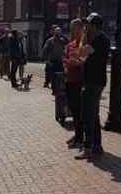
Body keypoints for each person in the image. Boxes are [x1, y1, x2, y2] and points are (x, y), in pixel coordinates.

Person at [76, 13, 110, 161]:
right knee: (93, 114)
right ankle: (96, 145)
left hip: (94, 82)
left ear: (94, 25)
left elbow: (81, 52)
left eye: (87, 25)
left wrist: (83, 37)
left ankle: (88, 147)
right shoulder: (97, 38)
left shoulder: (100, 39)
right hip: (92, 80)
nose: (85, 27)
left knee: (88, 115)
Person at [63, 18, 85, 148]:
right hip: (69, 80)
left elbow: (86, 62)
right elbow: (65, 57)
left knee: (79, 111)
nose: (72, 31)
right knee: (73, 110)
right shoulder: (70, 45)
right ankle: (77, 135)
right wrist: (66, 63)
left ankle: (80, 137)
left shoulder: (84, 44)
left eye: (75, 28)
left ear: (81, 29)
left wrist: (77, 63)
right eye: (71, 28)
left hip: (79, 81)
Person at [42, 27, 66, 94]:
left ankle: (59, 89)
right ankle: (54, 90)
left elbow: (66, 49)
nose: (58, 34)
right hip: (52, 61)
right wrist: (47, 60)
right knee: (53, 76)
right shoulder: (50, 41)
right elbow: (45, 50)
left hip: (60, 61)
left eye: (59, 32)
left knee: (60, 76)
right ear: (55, 33)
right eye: (57, 32)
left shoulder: (63, 40)